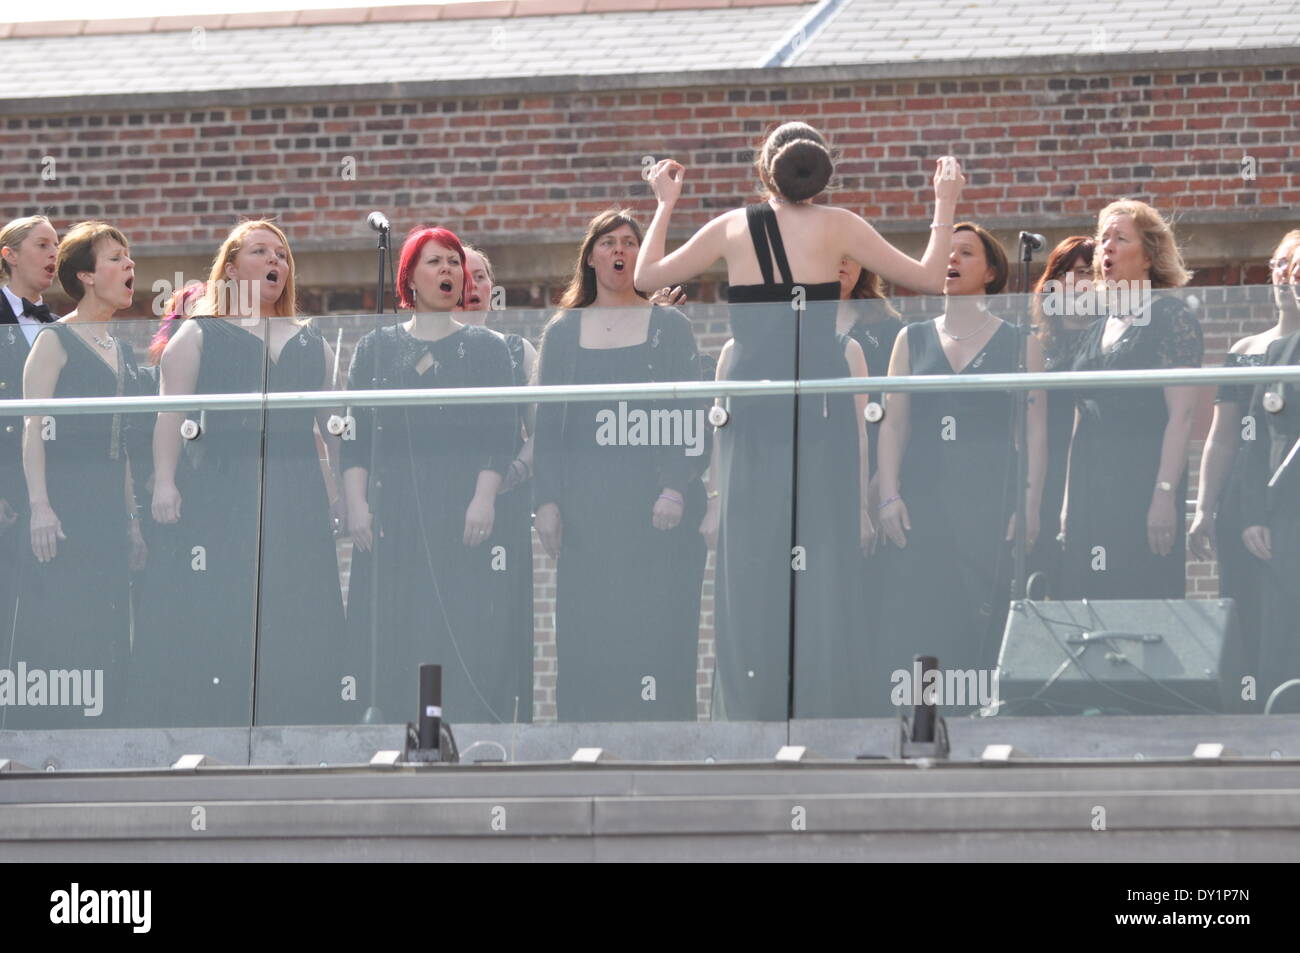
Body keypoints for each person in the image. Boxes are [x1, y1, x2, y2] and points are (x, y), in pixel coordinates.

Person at [636, 121, 964, 719]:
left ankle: (751, 712)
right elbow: (924, 276)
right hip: (817, 412)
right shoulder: (837, 225)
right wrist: (945, 202)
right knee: (823, 566)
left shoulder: (734, 226)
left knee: (750, 569)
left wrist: (666, 205)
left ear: (765, 168)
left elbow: (645, 279)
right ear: (821, 168)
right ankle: (822, 709)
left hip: (751, 417)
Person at [140, 219, 349, 727]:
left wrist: (342, 496)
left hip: (297, 487)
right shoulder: (198, 332)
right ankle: (221, 723)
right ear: (231, 267)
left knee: (298, 605)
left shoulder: (310, 339)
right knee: (228, 603)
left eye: (282, 255)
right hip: (222, 484)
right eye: (261, 252)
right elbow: (170, 413)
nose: (276, 261)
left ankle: (302, 727)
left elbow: (337, 427)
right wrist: (164, 481)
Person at [533, 209, 709, 721]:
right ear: (590, 257)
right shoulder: (563, 331)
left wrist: (677, 486)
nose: (620, 251)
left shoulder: (669, 327)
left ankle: (664, 748)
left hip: (659, 506)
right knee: (589, 633)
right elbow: (548, 425)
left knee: (659, 631)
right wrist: (545, 501)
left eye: (630, 242)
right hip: (587, 511)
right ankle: (586, 747)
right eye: (608, 242)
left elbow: (692, 413)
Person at [343, 225, 519, 725]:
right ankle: (392, 717)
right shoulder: (375, 347)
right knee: (394, 613)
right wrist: (356, 504)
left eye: (454, 262)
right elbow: (353, 434)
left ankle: (450, 721)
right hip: (391, 504)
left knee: (456, 615)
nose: (448, 270)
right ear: (409, 279)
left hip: (459, 502)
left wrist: (484, 498)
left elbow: (499, 433)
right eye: (435, 262)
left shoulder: (487, 349)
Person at [874, 223, 1046, 711]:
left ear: (990, 270)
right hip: (922, 498)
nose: (951, 260)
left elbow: (1034, 433)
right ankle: (924, 720)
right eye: (946, 253)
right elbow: (893, 426)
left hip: (991, 496)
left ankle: (984, 720)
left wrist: (1030, 506)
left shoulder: (1020, 343)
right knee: (922, 613)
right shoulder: (912, 338)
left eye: (965, 253)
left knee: (983, 612)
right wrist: (888, 496)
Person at [5, 221, 146, 729]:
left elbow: (125, 445)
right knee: (62, 625)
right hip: (63, 506)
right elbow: (31, 427)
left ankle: (106, 736)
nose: (129, 266)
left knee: (108, 623)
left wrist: (131, 520)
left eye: (129, 257)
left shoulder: (123, 351)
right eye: (115, 258)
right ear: (86, 275)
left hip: (107, 509)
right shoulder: (54, 339)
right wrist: (40, 506)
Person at [1060, 200, 1202, 600]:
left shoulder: (1172, 319)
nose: (1106, 247)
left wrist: (1164, 494)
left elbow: (1183, 415)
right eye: (1103, 238)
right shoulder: (1095, 327)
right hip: (1091, 485)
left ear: (1148, 257)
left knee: (1140, 600)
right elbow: (1079, 416)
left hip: (1141, 484)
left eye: (1120, 239)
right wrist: (1069, 502)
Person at [1190, 231, 1300, 669]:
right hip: (1246, 494)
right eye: (1278, 264)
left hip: (1287, 495)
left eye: (1294, 266)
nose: (1284, 274)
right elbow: (1224, 436)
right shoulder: (1244, 350)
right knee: (1247, 611)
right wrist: (1204, 507)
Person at [456, 242, 536, 722]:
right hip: (436, 500)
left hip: (503, 506)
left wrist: (516, 473)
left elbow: (540, 430)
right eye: (462, 275)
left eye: (482, 276)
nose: (472, 285)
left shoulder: (516, 350)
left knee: (497, 620)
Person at [1240, 245, 1300, 708]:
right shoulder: (1279, 352)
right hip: (1286, 516)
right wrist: (1253, 513)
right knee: (1282, 626)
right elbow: (1254, 442)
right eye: (1293, 271)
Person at [0, 216, 60, 654]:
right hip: (6, 490)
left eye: (57, 247)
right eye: (42, 245)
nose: (53, 255)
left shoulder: (59, 325)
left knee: (43, 617)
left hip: (53, 490)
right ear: (9, 255)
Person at [1027, 236, 1096, 597]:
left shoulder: (1110, 343)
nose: (1078, 281)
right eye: (1070, 273)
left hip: (1089, 469)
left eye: (1088, 272)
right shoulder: (1034, 345)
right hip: (1041, 473)